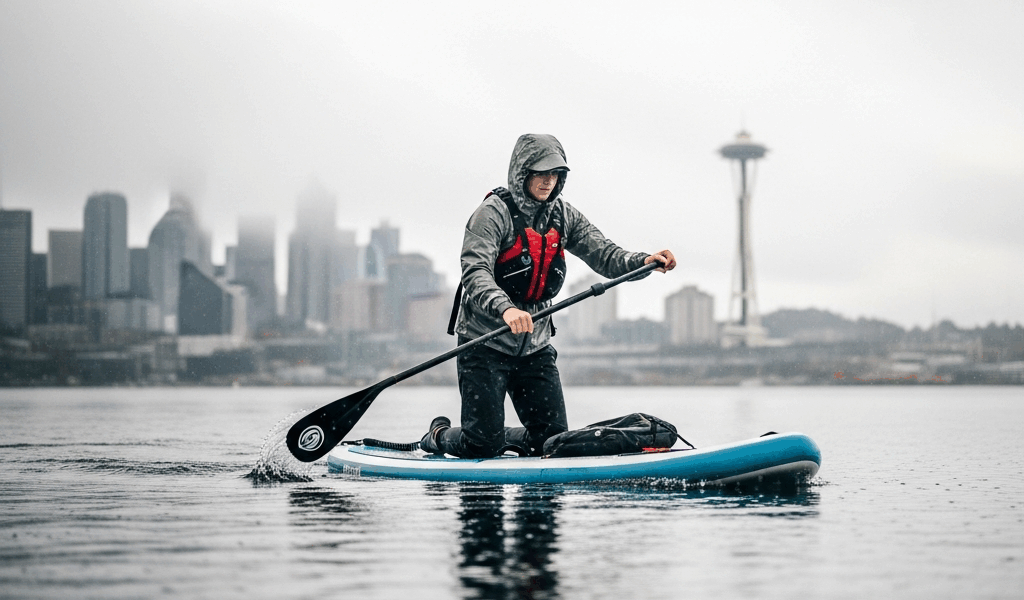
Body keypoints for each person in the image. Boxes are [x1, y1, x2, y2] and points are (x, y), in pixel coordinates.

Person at [420, 133, 676, 458]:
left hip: (535, 347)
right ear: (522, 172)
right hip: (485, 344)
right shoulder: (491, 214)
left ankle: (503, 437)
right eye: (541, 173)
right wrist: (505, 310)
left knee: (553, 444)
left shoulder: (564, 216)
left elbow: (605, 255)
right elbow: (475, 272)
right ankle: (439, 435)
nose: (548, 181)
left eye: (555, 174)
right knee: (481, 445)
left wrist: (643, 262)